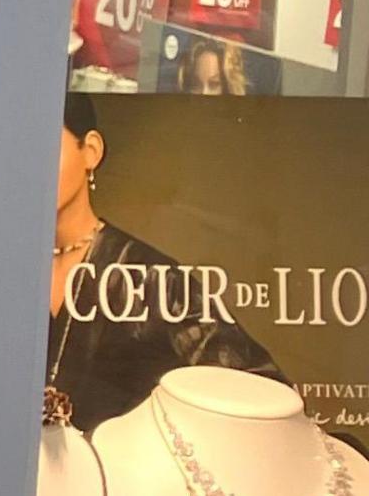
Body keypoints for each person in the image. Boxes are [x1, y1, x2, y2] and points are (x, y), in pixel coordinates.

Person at [45, 91, 278, 430]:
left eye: (47, 147)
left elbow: (259, 385)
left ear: (91, 151)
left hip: (122, 478)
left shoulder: (148, 278)